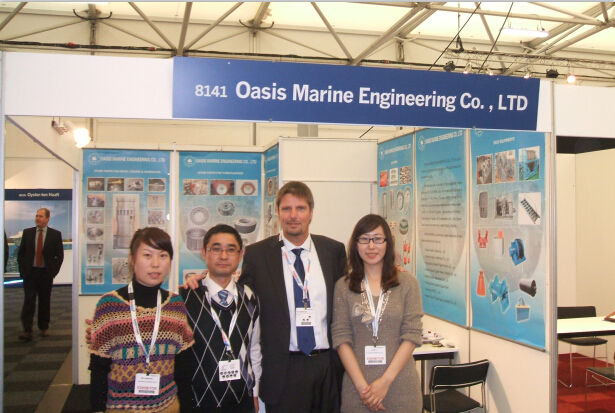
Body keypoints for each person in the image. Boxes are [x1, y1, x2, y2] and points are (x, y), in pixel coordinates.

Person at [185, 181, 347, 413]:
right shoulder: (258, 254)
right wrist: (203, 281)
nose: (293, 215)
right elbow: (238, 298)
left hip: (327, 368)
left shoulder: (333, 250)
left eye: (300, 208)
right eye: (286, 208)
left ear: (311, 212)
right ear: (278, 212)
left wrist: (389, 273)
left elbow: (351, 292)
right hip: (283, 370)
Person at [89, 227, 194, 413]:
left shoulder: (175, 305)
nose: (156, 264)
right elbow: (99, 368)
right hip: (121, 408)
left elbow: (183, 368)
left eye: (163, 256)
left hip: (168, 406)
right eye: (147, 255)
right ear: (132, 258)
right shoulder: (109, 306)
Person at [331, 214, 423, 413]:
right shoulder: (343, 287)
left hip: (401, 387)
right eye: (364, 239)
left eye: (377, 239)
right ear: (356, 245)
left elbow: (412, 335)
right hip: (358, 391)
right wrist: (364, 390)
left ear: (387, 243)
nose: (371, 246)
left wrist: (385, 382)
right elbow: (341, 338)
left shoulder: (408, 284)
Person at [175, 224, 261, 413]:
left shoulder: (250, 298)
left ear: (240, 255)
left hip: (241, 403)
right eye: (216, 249)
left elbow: (253, 350)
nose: (223, 256)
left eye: (231, 250)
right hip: (197, 404)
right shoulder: (184, 298)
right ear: (204, 253)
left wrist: (254, 394)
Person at [17, 208, 64, 341]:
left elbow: (59, 255)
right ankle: (27, 330)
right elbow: (21, 253)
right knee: (29, 301)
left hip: (45, 273)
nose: (38, 218)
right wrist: (23, 270)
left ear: (47, 219)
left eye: (41, 216)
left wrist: (53, 271)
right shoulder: (28, 233)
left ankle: (44, 327)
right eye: (37, 216)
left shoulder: (55, 234)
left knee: (44, 301)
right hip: (30, 273)